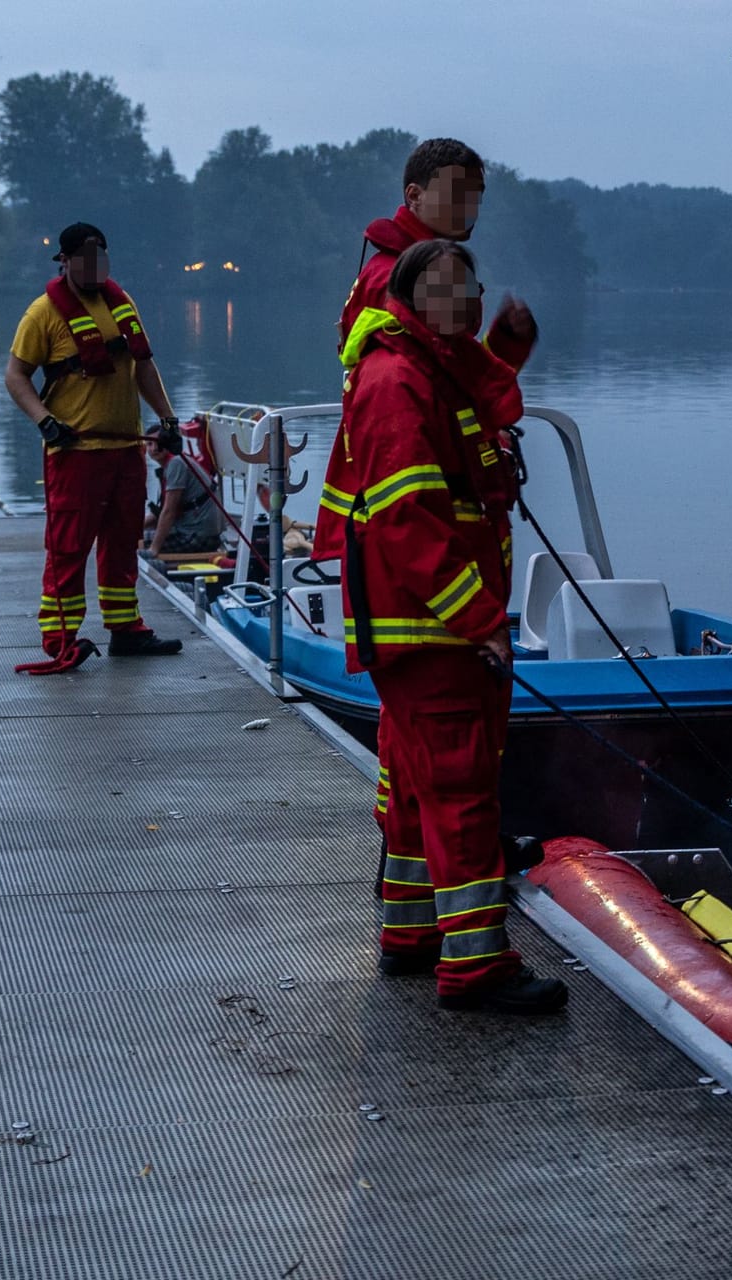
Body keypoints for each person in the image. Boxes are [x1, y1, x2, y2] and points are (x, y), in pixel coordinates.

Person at [318, 238, 565, 1016]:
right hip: (431, 628)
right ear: (422, 295)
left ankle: (412, 933)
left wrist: (511, 341)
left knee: (420, 781)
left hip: (422, 627)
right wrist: (482, 621)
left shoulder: (425, 366)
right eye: (459, 290)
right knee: (461, 790)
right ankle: (476, 966)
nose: (472, 302)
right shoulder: (396, 381)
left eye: (475, 288)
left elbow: (479, 392)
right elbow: (407, 519)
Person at [3, 221, 183, 661]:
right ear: (63, 261)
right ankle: (60, 641)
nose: (93, 267)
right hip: (76, 455)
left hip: (125, 450)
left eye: (99, 259)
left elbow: (143, 367)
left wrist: (167, 417)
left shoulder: (122, 304)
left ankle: (126, 630)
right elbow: (15, 376)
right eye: (83, 260)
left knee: (122, 545)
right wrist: (44, 421)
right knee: (68, 549)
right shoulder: (42, 314)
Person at [336, 136, 537, 367]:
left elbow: (453, 372)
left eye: (475, 195)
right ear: (414, 196)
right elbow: (425, 384)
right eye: (456, 192)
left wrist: (505, 342)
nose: (469, 206)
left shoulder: (417, 268)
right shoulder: (398, 278)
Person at [143, 428, 224, 557]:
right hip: (197, 531)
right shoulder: (172, 462)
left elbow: (169, 512)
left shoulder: (176, 464)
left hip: (199, 537)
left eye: (159, 443)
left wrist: (153, 549)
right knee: (135, 537)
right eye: (149, 444)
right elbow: (158, 512)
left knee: (136, 543)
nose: (154, 449)